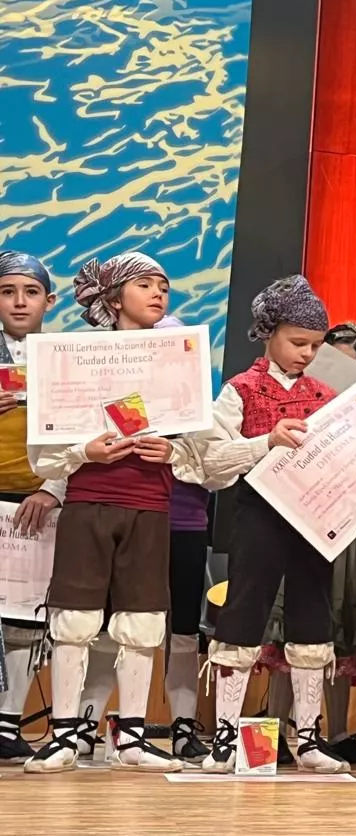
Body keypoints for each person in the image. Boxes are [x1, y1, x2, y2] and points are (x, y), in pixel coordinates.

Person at [23, 253, 204, 774]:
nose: (157, 295)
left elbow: (205, 450)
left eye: (163, 287)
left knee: (144, 621)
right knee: (75, 618)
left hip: (150, 505)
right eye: (144, 284)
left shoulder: (177, 364)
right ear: (114, 297)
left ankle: (131, 738)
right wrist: (87, 452)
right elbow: (46, 453)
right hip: (89, 503)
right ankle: (62, 737)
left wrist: (174, 453)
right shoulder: (76, 359)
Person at [189, 275, 350, 775]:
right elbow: (210, 463)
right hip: (258, 515)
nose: (306, 354)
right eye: (297, 342)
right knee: (242, 617)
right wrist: (264, 443)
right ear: (268, 333)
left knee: (312, 621)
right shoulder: (240, 390)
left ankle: (307, 739)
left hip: (314, 518)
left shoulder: (326, 394)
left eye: (315, 346)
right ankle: (222, 738)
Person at [262, 320, 356, 766]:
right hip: (297, 513)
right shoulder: (289, 391)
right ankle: (273, 731)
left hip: (351, 521)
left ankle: (335, 732)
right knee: (285, 629)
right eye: (316, 351)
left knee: (336, 631)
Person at [0, 251, 64, 765]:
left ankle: (6, 723)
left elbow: (84, 433)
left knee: (25, 616)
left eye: (30, 291)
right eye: (7, 291)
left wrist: (54, 489)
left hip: (37, 501)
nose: (19, 301)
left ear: (50, 300)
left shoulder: (64, 359)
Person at [154, 315, 213, 765]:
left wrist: (178, 450)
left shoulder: (201, 406)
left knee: (185, 629)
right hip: (137, 519)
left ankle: (183, 726)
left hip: (188, 523)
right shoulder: (128, 395)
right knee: (119, 626)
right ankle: (96, 724)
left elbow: (213, 469)